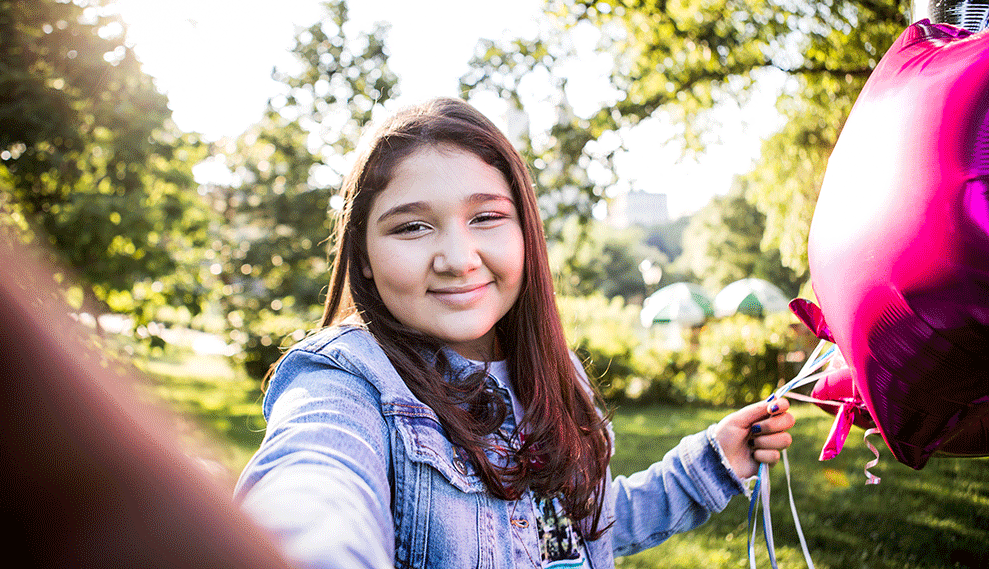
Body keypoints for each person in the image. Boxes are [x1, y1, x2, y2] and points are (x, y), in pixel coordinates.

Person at [234, 97, 796, 569]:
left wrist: (711, 463)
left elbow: (575, 529)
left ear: (526, 231)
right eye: (412, 227)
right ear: (362, 256)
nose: (458, 258)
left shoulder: (556, 373)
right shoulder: (348, 380)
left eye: (486, 218)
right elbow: (315, 489)